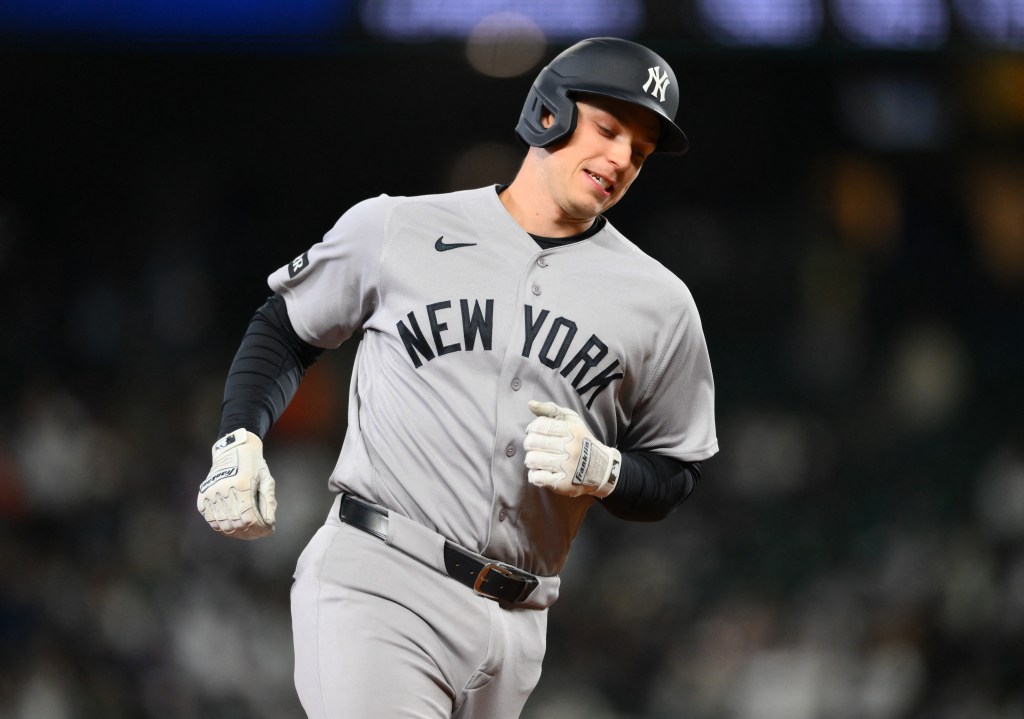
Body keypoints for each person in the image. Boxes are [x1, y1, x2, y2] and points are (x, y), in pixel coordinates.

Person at [197, 36, 718, 719]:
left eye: (640, 153)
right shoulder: (398, 227)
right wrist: (240, 435)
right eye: (609, 129)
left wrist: (608, 469)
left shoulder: (659, 301)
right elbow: (285, 327)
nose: (621, 159)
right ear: (549, 114)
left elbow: (678, 470)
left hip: (520, 621)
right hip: (381, 579)